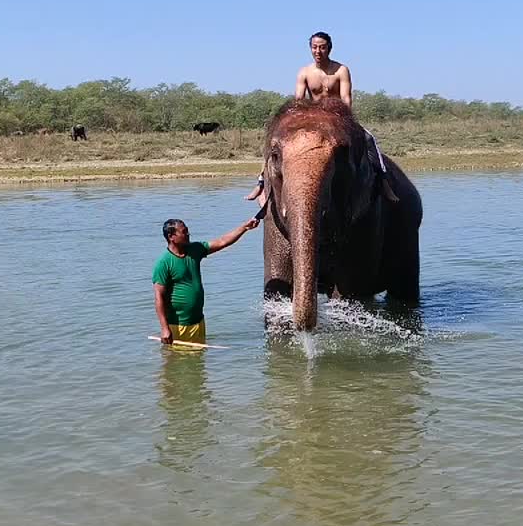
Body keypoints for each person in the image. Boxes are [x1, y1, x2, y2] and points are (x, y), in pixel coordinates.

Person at [245, 31, 398, 205]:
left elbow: (346, 98)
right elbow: (299, 101)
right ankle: (261, 183)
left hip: (338, 118)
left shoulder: (341, 70)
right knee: (275, 142)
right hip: (313, 119)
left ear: (329, 49)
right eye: (314, 47)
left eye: (322, 47)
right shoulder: (304, 72)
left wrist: (345, 120)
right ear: (310, 49)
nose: (318, 51)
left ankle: (384, 182)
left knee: (369, 138)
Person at [153, 216, 259, 345]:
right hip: (177, 326)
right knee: (177, 363)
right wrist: (165, 329)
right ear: (171, 237)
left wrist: (245, 227)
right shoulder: (164, 263)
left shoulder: (194, 250)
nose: (188, 234)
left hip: (198, 322)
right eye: (184, 231)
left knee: (198, 363)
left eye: (187, 230)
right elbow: (159, 297)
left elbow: (222, 241)